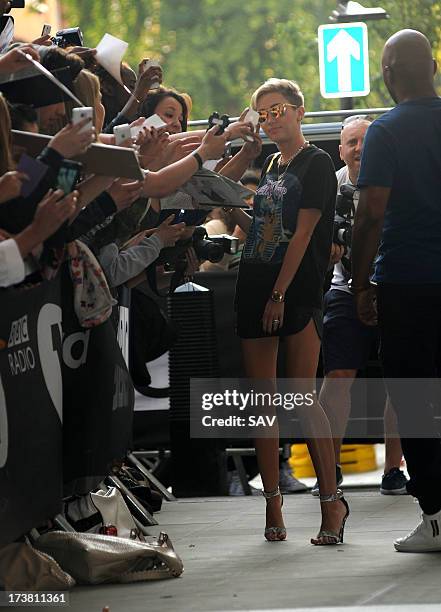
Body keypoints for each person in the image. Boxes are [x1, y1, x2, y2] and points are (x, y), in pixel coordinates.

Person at [229, 78, 349, 543]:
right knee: (263, 402)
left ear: (299, 112)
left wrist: (279, 294)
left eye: (278, 109)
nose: (270, 118)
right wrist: (222, 203)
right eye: (263, 112)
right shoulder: (272, 163)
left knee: (301, 396)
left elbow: (303, 234)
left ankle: (330, 504)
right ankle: (272, 508)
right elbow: (263, 229)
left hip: (294, 288)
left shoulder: (317, 162)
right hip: (253, 279)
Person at [351, 29, 441, 552]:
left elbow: (371, 215)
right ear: (432, 67)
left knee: (413, 396)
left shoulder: (386, 131)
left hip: (407, 280)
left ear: (386, 74)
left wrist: (361, 284)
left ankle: (436, 515)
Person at [315, 115, 407, 497]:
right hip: (344, 285)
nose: (359, 149)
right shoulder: (330, 185)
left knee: (401, 380)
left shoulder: (399, 182)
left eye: (365, 141)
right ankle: (328, 467)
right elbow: (312, 238)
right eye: (351, 142)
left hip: (394, 285)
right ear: (340, 150)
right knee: (336, 377)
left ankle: (393, 470)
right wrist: (329, 250)